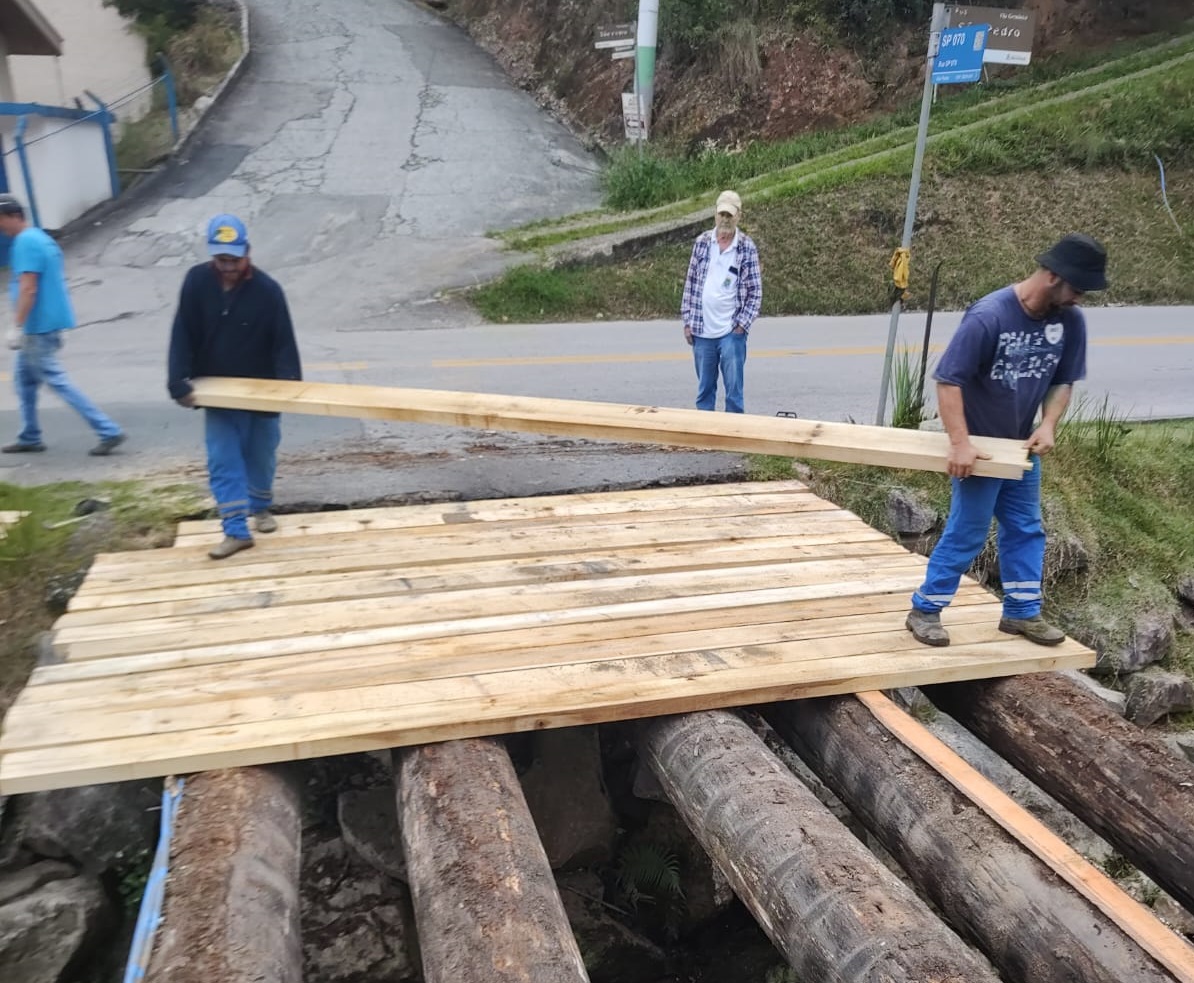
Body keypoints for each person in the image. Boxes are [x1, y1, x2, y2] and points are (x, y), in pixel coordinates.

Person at [906, 233, 1108, 648]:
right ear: (1053, 277)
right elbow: (949, 381)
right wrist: (960, 443)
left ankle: (1020, 613)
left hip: (1020, 449)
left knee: (1026, 528)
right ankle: (925, 610)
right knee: (969, 530)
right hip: (979, 447)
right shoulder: (990, 316)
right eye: (1077, 289)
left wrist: (1048, 424)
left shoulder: (1069, 321)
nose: (1080, 299)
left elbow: (1063, 380)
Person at [168, 214, 302, 560]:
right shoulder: (197, 282)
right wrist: (177, 377)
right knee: (223, 457)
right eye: (221, 259)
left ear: (248, 252)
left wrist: (289, 387)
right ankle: (235, 530)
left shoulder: (268, 291)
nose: (227, 266)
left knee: (261, 455)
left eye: (233, 259)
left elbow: (284, 342)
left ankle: (260, 507)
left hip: (262, 389)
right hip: (218, 390)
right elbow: (183, 331)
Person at [0, 194, 126, 456]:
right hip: (44, 324)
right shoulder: (39, 238)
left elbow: (29, 288)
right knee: (24, 383)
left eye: (1, 221)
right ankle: (30, 436)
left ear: (13, 216)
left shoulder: (25, 243)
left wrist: (17, 326)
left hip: (37, 327)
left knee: (57, 381)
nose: (0, 227)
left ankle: (108, 430)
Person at [680, 189, 762, 413]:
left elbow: (755, 292)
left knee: (734, 390)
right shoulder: (702, 242)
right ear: (715, 215)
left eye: (730, 215)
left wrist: (741, 325)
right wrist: (687, 321)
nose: (725, 220)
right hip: (702, 329)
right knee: (705, 389)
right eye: (721, 215)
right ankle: (705, 437)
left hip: (730, 332)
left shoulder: (746, 247)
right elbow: (691, 282)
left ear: (738, 216)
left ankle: (734, 435)